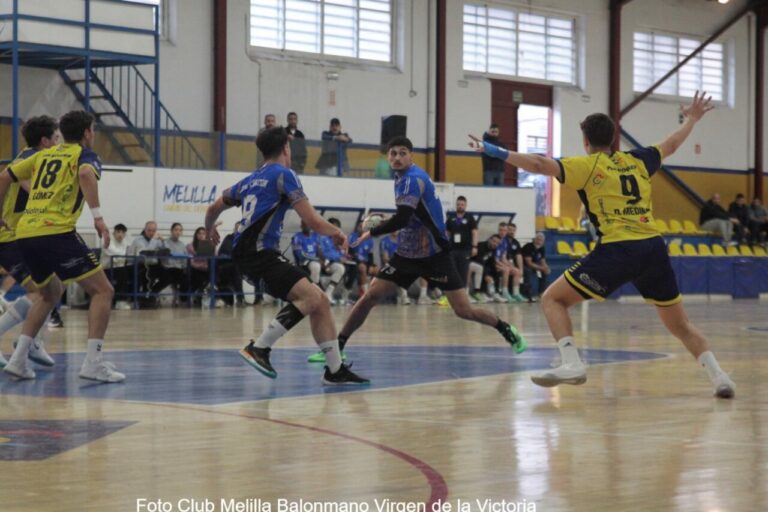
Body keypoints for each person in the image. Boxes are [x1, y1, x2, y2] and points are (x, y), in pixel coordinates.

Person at [470, 91, 735, 398]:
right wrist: (692, 119)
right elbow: (672, 144)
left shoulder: (587, 166)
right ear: (613, 140)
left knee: (553, 299)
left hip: (618, 249)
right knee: (681, 325)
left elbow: (539, 164)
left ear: (586, 141)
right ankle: (720, 377)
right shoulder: (638, 160)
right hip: (653, 248)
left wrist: (493, 149)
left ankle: (572, 363)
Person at [330, 136, 527, 362]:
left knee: (464, 310)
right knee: (370, 297)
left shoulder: (412, 179)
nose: (397, 157)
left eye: (402, 153)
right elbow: (412, 215)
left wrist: (372, 232)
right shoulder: (401, 177)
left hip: (435, 255)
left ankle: (506, 329)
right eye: (393, 153)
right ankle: (337, 347)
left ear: (411, 156)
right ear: (388, 157)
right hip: (407, 254)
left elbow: (403, 218)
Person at [204, 126, 368, 385]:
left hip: (245, 252)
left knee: (320, 301)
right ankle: (259, 347)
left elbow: (213, 207)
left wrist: (209, 227)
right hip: (258, 252)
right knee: (310, 297)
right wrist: (337, 233)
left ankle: (335, 370)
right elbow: (312, 220)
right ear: (286, 148)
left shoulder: (249, 180)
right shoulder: (284, 174)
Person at [0, 110, 123, 382]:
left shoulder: (40, 156)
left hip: (25, 233)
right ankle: (93, 363)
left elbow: (4, 177)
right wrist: (98, 217)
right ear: (87, 133)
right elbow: (86, 174)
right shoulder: (83, 155)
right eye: (93, 130)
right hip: (55, 231)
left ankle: (18, 360)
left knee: (49, 292)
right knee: (103, 290)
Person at [0, 115, 60, 369]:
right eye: (56, 138)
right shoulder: (27, 161)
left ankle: (33, 340)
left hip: (25, 236)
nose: (58, 143)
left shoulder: (35, 159)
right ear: (45, 141)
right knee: (41, 292)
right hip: (10, 237)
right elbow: (37, 192)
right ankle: (30, 340)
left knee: (53, 288)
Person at [128, 221, 166, 306]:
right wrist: (153, 240)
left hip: (154, 265)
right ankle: (142, 299)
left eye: (154, 231)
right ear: (145, 230)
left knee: (167, 275)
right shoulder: (138, 240)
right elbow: (146, 253)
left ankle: (152, 294)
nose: (151, 233)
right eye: (149, 230)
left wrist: (163, 241)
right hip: (140, 265)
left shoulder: (157, 240)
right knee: (146, 275)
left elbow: (166, 250)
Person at [445, 196, 478, 293]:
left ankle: (463, 293)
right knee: (452, 271)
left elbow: (475, 232)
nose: (460, 206)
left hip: (465, 250)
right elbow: (447, 233)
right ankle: (452, 293)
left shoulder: (470, 217)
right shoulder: (451, 218)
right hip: (453, 250)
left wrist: (475, 246)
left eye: (462, 204)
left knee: (463, 272)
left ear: (465, 205)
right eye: (458, 204)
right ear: (456, 205)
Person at [101, 223, 132, 310]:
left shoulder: (125, 242)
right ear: (114, 232)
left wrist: (120, 255)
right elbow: (112, 252)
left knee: (132, 271)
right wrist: (121, 255)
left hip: (119, 268)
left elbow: (125, 255)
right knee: (122, 273)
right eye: (118, 232)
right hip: (106, 268)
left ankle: (127, 300)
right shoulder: (107, 240)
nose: (120, 235)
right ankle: (120, 301)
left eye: (123, 233)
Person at [318, 218, 346, 305]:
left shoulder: (335, 239)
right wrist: (338, 258)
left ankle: (328, 293)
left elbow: (340, 252)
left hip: (333, 262)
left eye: (336, 228)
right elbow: (323, 253)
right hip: (324, 262)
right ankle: (324, 291)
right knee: (340, 268)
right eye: (333, 227)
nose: (335, 229)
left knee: (344, 268)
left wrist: (342, 256)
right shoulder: (322, 237)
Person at [217, 222, 246, 306]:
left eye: (240, 228)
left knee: (237, 270)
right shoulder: (229, 237)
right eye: (236, 228)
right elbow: (223, 251)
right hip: (226, 264)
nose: (238, 230)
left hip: (242, 265)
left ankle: (241, 298)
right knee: (235, 271)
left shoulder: (246, 238)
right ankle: (239, 298)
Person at [161, 223, 188, 306]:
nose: (178, 232)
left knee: (187, 278)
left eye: (180, 230)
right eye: (176, 230)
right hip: (168, 268)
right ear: (171, 231)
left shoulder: (182, 245)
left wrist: (184, 267)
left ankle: (183, 300)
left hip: (179, 269)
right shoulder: (165, 242)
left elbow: (185, 259)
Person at [380, 231, 410, 304]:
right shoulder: (384, 241)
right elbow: (385, 258)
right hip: (388, 266)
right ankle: (404, 296)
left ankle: (401, 296)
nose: (395, 231)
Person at [521, 232, 550, 301]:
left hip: (535, 265)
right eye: (538, 239)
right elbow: (529, 263)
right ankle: (528, 295)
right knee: (528, 271)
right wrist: (541, 268)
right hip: (524, 265)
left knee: (544, 272)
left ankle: (541, 293)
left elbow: (542, 260)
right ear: (534, 239)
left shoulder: (541, 248)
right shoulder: (529, 247)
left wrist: (546, 268)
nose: (539, 242)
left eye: (541, 240)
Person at [505, 223, 526, 302]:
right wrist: (510, 265)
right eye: (510, 230)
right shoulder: (503, 241)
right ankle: (505, 293)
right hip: (504, 263)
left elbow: (519, 256)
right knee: (511, 270)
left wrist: (521, 269)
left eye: (513, 230)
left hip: (512, 265)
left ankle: (516, 293)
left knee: (519, 271)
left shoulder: (516, 242)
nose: (511, 232)